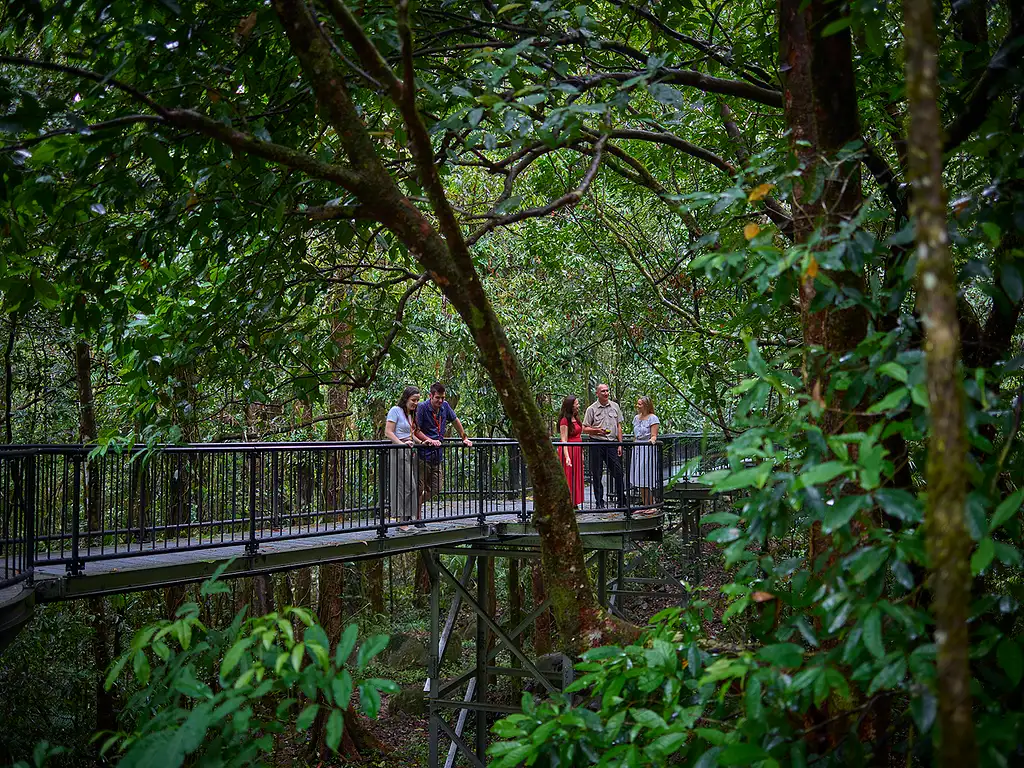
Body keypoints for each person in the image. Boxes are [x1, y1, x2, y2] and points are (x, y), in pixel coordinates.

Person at [415, 382, 472, 524]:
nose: (440, 401)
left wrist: (464, 437)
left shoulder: (445, 406)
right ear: (431, 396)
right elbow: (416, 430)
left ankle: (413, 505)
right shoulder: (422, 407)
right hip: (423, 454)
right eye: (438, 398)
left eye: (443, 398)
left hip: (437, 455)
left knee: (436, 487)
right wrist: (429, 440)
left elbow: (455, 420)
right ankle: (417, 517)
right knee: (420, 487)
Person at [385, 385, 424, 530]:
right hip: (399, 451)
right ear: (406, 398)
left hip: (409, 451)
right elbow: (388, 432)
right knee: (406, 487)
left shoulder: (409, 414)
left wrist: (421, 442)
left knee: (410, 487)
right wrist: (401, 444)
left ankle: (404, 521)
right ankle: (402, 523)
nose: (415, 403)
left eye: (418, 400)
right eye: (413, 400)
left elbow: (411, 434)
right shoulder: (395, 411)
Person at [582, 383, 624, 509]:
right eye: (603, 391)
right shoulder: (591, 409)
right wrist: (596, 431)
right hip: (596, 443)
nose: (606, 393)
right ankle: (599, 502)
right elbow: (585, 428)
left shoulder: (615, 406)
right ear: (597, 394)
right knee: (597, 473)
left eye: (607, 391)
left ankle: (622, 500)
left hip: (611, 444)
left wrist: (620, 444)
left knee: (618, 472)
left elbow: (618, 426)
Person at [630, 396, 661, 509]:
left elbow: (654, 436)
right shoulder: (636, 418)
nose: (637, 406)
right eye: (637, 404)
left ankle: (651, 505)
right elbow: (635, 435)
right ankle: (645, 506)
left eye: (640, 404)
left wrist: (652, 440)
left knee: (645, 477)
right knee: (638, 478)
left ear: (646, 405)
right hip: (637, 448)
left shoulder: (653, 418)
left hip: (646, 449)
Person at [557, 395, 584, 507]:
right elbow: (564, 440)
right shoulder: (564, 420)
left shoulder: (576, 418)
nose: (578, 406)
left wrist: (581, 454)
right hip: (569, 451)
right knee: (568, 476)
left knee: (576, 477)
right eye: (576, 404)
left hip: (577, 450)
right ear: (571, 406)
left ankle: (574, 502)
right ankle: (567, 502)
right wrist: (567, 457)